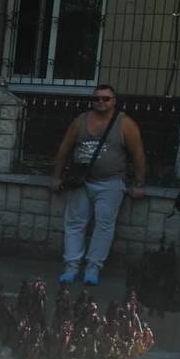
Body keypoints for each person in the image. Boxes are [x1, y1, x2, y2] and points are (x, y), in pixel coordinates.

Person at [50, 84, 146, 286]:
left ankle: (93, 267)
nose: (101, 102)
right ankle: (71, 266)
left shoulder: (125, 124)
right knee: (75, 223)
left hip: (110, 182)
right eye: (97, 98)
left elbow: (138, 154)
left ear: (114, 101)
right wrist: (56, 177)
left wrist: (139, 183)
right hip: (81, 181)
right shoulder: (80, 121)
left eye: (106, 98)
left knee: (104, 226)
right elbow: (64, 149)